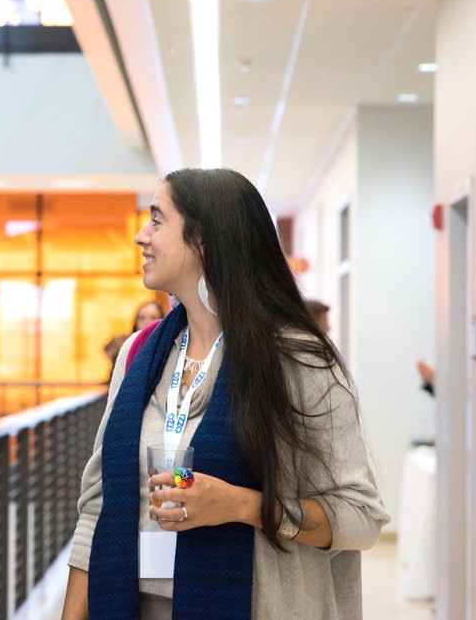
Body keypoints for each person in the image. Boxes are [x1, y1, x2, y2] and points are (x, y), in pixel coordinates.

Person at [62, 168, 388, 619]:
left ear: (204, 241)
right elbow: (97, 507)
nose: (141, 236)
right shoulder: (139, 354)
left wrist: (239, 505)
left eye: (157, 220)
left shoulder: (297, 361)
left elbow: (359, 517)